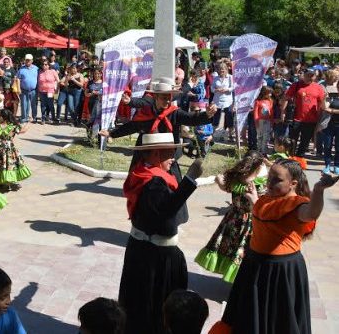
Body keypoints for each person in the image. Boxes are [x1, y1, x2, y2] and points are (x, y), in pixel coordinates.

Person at [210, 160, 339, 334]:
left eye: (276, 180)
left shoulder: (298, 205)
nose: (269, 183)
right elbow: (265, 213)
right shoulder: (266, 199)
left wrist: (318, 190)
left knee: (278, 320)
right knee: (250, 317)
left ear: (293, 183)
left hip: (281, 271)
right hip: (253, 265)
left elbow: (312, 213)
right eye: (269, 177)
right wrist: (254, 198)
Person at [119, 133, 204, 334]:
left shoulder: (142, 173)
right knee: (153, 303)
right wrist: (190, 178)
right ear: (157, 153)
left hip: (142, 249)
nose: (174, 158)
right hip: (155, 257)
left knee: (138, 300)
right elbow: (166, 210)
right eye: (170, 153)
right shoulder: (154, 183)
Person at [100, 78, 216, 180]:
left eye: (169, 98)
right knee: (142, 185)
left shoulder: (174, 113)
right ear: (155, 97)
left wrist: (206, 115)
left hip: (167, 157)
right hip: (148, 155)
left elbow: (191, 118)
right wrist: (111, 133)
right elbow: (132, 126)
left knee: (173, 187)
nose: (167, 101)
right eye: (164, 98)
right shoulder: (147, 113)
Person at [195, 151, 266, 283]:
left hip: (233, 219)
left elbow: (225, 187)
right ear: (258, 167)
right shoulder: (258, 185)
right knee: (243, 250)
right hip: (250, 222)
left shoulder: (236, 179)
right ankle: (242, 281)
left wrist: (217, 179)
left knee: (230, 248)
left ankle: (236, 279)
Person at [281, 69, 324, 157]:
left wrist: (319, 119)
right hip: (295, 119)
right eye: (308, 75)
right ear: (303, 75)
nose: (310, 78)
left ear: (315, 76)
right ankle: (290, 159)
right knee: (292, 141)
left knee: (305, 142)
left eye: (312, 76)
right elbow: (286, 98)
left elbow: (321, 104)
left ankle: (299, 160)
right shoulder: (296, 85)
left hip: (311, 120)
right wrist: (283, 112)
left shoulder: (319, 88)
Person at [211, 64, 234, 141]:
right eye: (220, 69)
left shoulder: (230, 77)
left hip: (227, 100)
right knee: (216, 116)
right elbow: (212, 88)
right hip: (217, 100)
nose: (222, 71)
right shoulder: (215, 78)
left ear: (226, 70)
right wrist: (216, 90)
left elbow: (233, 87)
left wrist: (227, 89)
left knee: (229, 117)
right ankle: (213, 134)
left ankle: (230, 134)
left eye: (223, 69)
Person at [16, 54, 39, 124]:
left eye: (29, 60)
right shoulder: (21, 69)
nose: (27, 61)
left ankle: (34, 118)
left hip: (33, 90)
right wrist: (19, 89)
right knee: (24, 104)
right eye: (26, 60)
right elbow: (18, 79)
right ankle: (24, 118)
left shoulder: (36, 68)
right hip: (24, 90)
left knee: (34, 105)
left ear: (32, 60)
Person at [37, 60, 59, 124]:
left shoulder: (53, 71)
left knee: (50, 105)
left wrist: (57, 89)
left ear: (49, 65)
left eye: (46, 64)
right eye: (43, 64)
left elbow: (58, 80)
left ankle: (53, 118)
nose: (44, 66)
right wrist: (38, 91)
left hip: (50, 91)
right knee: (43, 105)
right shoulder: (40, 72)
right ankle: (43, 119)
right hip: (42, 91)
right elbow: (38, 82)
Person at [253, 86, 274, 155]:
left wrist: (271, 122)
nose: (270, 95)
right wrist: (256, 122)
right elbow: (255, 113)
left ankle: (264, 151)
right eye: (269, 93)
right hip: (260, 121)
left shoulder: (270, 101)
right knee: (260, 137)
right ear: (264, 93)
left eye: (271, 93)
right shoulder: (258, 101)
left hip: (268, 122)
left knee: (266, 137)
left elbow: (271, 112)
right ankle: (259, 151)